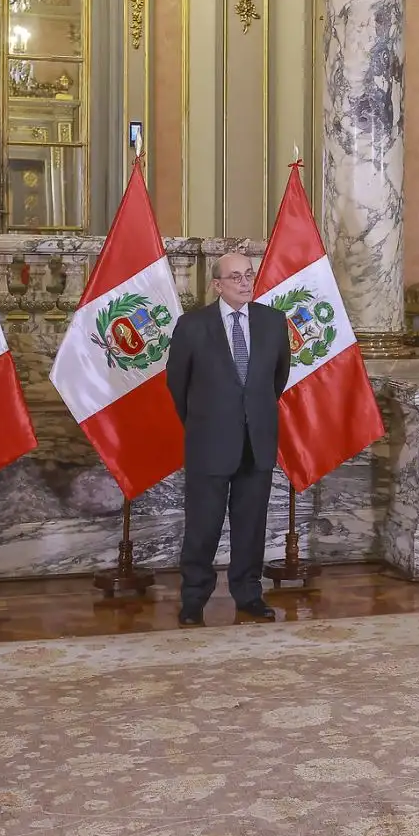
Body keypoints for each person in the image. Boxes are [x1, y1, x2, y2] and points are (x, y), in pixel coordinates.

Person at [164, 251, 290, 625]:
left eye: (248, 275)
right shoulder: (192, 326)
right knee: (203, 526)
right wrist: (209, 420)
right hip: (209, 442)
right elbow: (177, 386)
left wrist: (252, 414)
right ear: (217, 284)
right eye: (234, 277)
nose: (244, 282)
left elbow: (276, 380)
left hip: (258, 442)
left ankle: (249, 594)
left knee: (251, 526)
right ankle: (193, 600)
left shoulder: (273, 322)